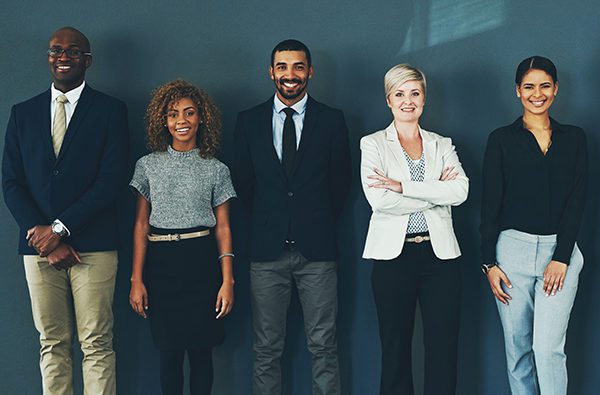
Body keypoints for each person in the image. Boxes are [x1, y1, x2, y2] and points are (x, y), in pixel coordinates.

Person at [1, 27, 128, 394]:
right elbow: (11, 182)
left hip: (95, 246)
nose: (63, 56)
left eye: (73, 51)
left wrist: (59, 228)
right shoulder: (22, 113)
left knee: (97, 344)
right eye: (56, 50)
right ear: (48, 57)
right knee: (52, 343)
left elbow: (111, 179)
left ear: (87, 60)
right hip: (37, 247)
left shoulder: (110, 110)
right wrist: (45, 237)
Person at [232, 39, 351, 395]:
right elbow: (244, 183)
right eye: (282, 67)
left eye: (298, 67)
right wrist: (274, 220)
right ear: (271, 72)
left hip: (317, 252)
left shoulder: (331, 120)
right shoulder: (249, 121)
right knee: (266, 349)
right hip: (266, 252)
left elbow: (340, 184)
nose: (290, 75)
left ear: (310, 71)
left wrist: (309, 219)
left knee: (324, 347)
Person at [480, 56, 587, 395]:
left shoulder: (574, 138)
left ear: (555, 89)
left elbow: (578, 198)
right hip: (511, 253)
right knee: (518, 350)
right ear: (517, 91)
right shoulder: (501, 139)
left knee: (548, 349)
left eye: (544, 86)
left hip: (561, 252)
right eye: (529, 86)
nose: (536, 94)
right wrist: (489, 264)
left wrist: (563, 256)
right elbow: (490, 204)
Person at [360, 64, 469, 395]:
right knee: (395, 350)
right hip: (394, 257)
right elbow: (380, 201)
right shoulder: (373, 144)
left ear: (424, 98)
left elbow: (460, 192)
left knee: (443, 350)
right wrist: (434, 193)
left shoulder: (441, 144)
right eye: (400, 94)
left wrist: (402, 186)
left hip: (441, 259)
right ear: (389, 100)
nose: (408, 101)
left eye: (415, 93)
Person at [129, 80, 236, 395]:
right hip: (161, 265)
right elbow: (139, 225)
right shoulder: (147, 165)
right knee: (169, 354)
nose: (182, 121)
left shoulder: (216, 169)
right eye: (174, 114)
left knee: (202, 353)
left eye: (189, 113)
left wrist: (227, 280)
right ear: (163, 120)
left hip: (202, 262)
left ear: (201, 118)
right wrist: (137, 278)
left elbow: (224, 227)